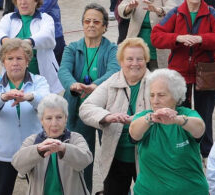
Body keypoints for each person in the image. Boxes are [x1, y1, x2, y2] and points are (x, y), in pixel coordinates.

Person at [151, 0, 215, 161]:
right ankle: (182, 150)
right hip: (179, 74)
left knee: (205, 114)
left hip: (206, 72)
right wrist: (178, 38)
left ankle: (205, 154)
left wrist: (202, 39)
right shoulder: (175, 13)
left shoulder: (211, 13)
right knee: (179, 112)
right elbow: (156, 36)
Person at [58, 3, 120, 192]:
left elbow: (114, 70)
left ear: (104, 27)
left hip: (105, 109)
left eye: (96, 21)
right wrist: (73, 85)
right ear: (82, 24)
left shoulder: (112, 49)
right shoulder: (72, 48)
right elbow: (63, 71)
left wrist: (95, 86)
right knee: (81, 155)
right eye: (87, 21)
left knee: (111, 156)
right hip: (77, 108)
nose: (91, 25)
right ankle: (82, 190)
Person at [0, 38, 50, 195]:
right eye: (10, 58)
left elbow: (48, 104)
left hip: (36, 149)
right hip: (2, 151)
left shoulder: (39, 81)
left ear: (27, 61)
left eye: (19, 58)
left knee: (43, 191)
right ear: (3, 62)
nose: (15, 62)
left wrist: (30, 97)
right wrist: (2, 97)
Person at [79, 38, 151, 195]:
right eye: (129, 59)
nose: (135, 63)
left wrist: (140, 119)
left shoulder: (156, 82)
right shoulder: (111, 82)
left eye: (140, 59)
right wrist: (107, 116)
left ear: (146, 60)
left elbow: (165, 110)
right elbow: (86, 108)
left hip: (148, 158)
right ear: (121, 61)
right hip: (115, 157)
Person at [129, 68, 209, 194]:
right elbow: (134, 133)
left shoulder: (187, 114)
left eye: (161, 95)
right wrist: (150, 118)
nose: (155, 101)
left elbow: (200, 129)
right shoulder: (145, 117)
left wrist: (177, 120)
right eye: (152, 95)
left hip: (191, 191)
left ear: (175, 96)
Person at [12, 94, 93, 195]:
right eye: (49, 118)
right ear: (41, 121)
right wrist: (38, 150)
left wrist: (64, 148)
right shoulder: (32, 140)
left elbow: (86, 160)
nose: (54, 123)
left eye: (59, 117)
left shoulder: (76, 138)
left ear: (66, 119)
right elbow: (17, 164)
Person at [0, 0, 63, 94]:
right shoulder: (8, 18)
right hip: (15, 75)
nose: (23, 2)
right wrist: (5, 40)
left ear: (36, 2)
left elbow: (47, 35)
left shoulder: (46, 18)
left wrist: (27, 42)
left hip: (42, 75)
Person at [118, 0, 176, 70]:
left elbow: (173, 9)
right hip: (135, 50)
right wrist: (128, 8)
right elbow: (121, 8)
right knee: (135, 76)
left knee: (156, 78)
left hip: (157, 51)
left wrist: (158, 10)